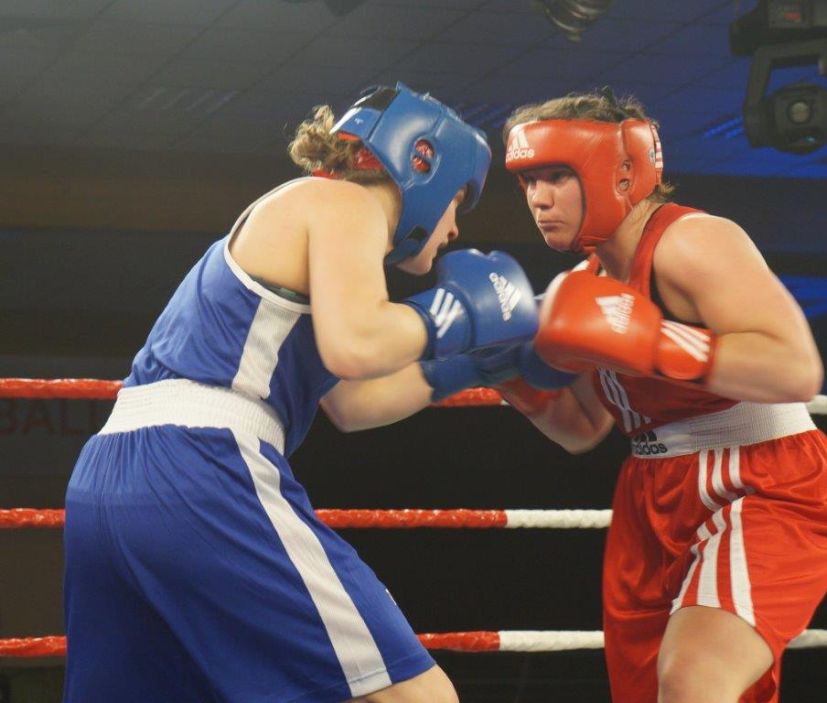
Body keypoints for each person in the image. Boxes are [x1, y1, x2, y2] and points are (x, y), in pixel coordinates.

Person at [62, 82, 540, 703]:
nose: (453, 229)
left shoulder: (310, 226)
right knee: (416, 695)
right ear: (423, 167)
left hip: (108, 479)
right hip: (202, 466)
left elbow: (351, 402)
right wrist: (460, 312)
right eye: (457, 203)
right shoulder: (345, 203)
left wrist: (476, 365)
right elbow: (357, 344)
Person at [426, 88, 827, 703]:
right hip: (651, 494)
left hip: (762, 483)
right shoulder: (582, 285)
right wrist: (504, 370)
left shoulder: (693, 241)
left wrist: (653, 340)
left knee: (695, 679)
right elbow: (583, 428)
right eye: (529, 180)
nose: (538, 198)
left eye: (556, 176)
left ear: (619, 171)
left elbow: (796, 368)